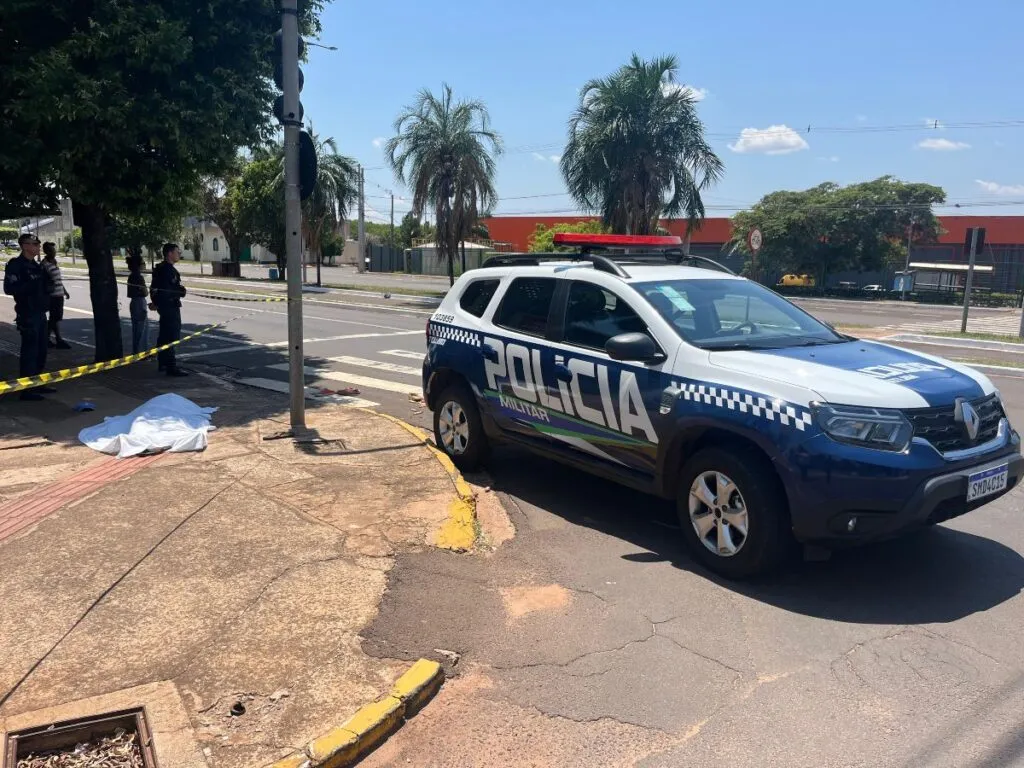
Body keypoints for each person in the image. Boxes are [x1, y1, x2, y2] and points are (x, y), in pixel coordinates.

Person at [2, 234, 54, 400]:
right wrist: (29, 286)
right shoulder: (16, 265)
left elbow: (46, 285)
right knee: (30, 352)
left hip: (40, 312)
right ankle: (27, 389)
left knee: (41, 350)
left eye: (38, 244)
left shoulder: (37, 266)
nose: (38, 247)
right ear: (25, 246)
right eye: (35, 244)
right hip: (27, 313)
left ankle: (37, 383)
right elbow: (9, 288)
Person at [150, 242, 188, 376]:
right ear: (170, 254)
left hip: (164, 307)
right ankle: (171, 367)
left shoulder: (160, 269)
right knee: (172, 336)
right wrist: (181, 291)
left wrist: (156, 302)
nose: (179, 254)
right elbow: (167, 291)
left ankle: (163, 363)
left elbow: (155, 289)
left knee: (164, 336)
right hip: (170, 307)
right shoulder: (168, 271)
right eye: (177, 252)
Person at [40, 241, 71, 349]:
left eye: (54, 250)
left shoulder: (54, 262)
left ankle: (55, 339)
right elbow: (44, 281)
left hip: (59, 294)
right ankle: (49, 339)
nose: (54, 252)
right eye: (51, 250)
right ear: (46, 251)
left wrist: (65, 291)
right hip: (52, 295)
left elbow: (58, 279)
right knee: (54, 318)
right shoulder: (44, 264)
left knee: (56, 318)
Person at [126, 252, 149, 355]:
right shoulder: (139, 277)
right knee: (142, 330)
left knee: (137, 329)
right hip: (139, 302)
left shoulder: (132, 276)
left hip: (134, 302)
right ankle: (141, 353)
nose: (144, 264)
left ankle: (137, 351)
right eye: (143, 262)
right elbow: (145, 292)